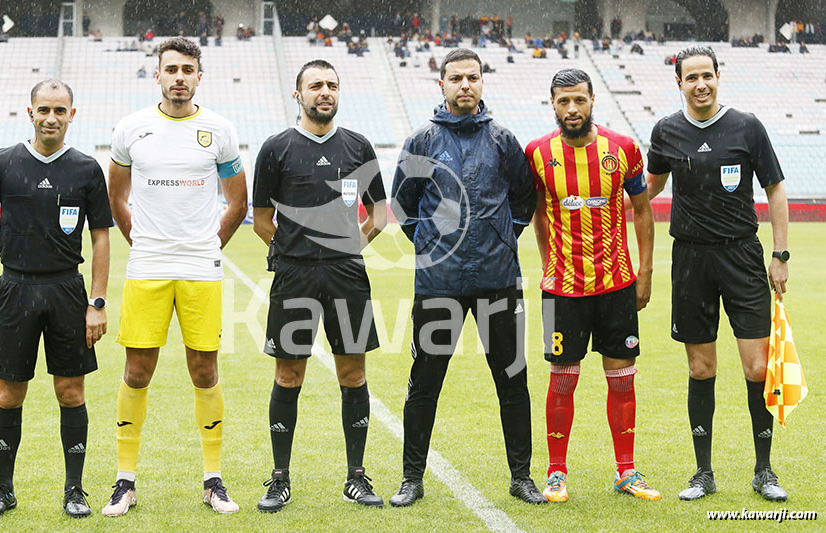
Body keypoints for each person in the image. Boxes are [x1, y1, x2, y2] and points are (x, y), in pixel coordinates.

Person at [101, 37, 248, 516]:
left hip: (200, 270)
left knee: (205, 371)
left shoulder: (220, 130)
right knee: (136, 372)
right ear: (157, 75)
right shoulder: (131, 129)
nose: (179, 77)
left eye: (188, 69)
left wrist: (208, 246)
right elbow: (116, 197)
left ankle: (213, 480)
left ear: (199, 77)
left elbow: (238, 202)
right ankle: (125, 482)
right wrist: (141, 241)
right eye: (171, 69)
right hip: (147, 268)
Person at [389, 48, 541, 507]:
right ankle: (411, 479)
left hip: (499, 281)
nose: (465, 85)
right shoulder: (421, 142)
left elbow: (524, 198)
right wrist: (432, 246)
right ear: (442, 85)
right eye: (456, 78)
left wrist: (501, 237)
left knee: (512, 381)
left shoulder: (503, 140)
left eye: (472, 77)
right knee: (424, 383)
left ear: (482, 82)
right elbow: (403, 205)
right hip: (439, 284)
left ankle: (522, 477)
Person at [645, 45, 789, 502]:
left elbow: (775, 188)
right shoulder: (666, 130)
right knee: (700, 366)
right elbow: (649, 187)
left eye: (707, 75)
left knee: (758, 366)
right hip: (690, 260)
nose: (700, 84)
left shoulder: (747, 126)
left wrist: (780, 254)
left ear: (718, 76)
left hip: (742, 257)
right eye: (691, 77)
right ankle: (703, 472)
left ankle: (764, 470)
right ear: (679, 83)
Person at [0, 79, 112, 518]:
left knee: (70, 391)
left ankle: (75, 490)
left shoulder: (87, 168)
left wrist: (97, 302)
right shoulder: (2, 163)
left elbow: (101, 238)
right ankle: (3, 490)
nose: (51, 118)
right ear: (29, 112)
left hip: (67, 289)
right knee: (9, 394)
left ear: (72, 114)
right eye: (44, 109)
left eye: (59, 110)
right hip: (15, 288)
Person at [252, 59, 387, 513]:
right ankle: (279, 479)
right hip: (294, 277)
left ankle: (356, 477)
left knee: (353, 374)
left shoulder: (358, 145)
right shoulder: (276, 148)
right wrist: (293, 251)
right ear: (299, 94)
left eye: (331, 84)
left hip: (347, 276)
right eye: (315, 85)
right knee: (288, 375)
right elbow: (262, 219)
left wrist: (349, 247)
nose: (324, 91)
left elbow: (380, 213)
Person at [525, 69, 659, 503]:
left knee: (621, 378)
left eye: (579, 100)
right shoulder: (537, 153)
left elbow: (642, 210)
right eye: (563, 101)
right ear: (552, 103)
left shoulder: (623, 148)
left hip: (616, 285)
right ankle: (556, 473)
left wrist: (644, 272)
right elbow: (539, 215)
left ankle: (626, 471)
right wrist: (548, 265)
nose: (572, 109)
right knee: (563, 379)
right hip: (562, 290)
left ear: (592, 100)